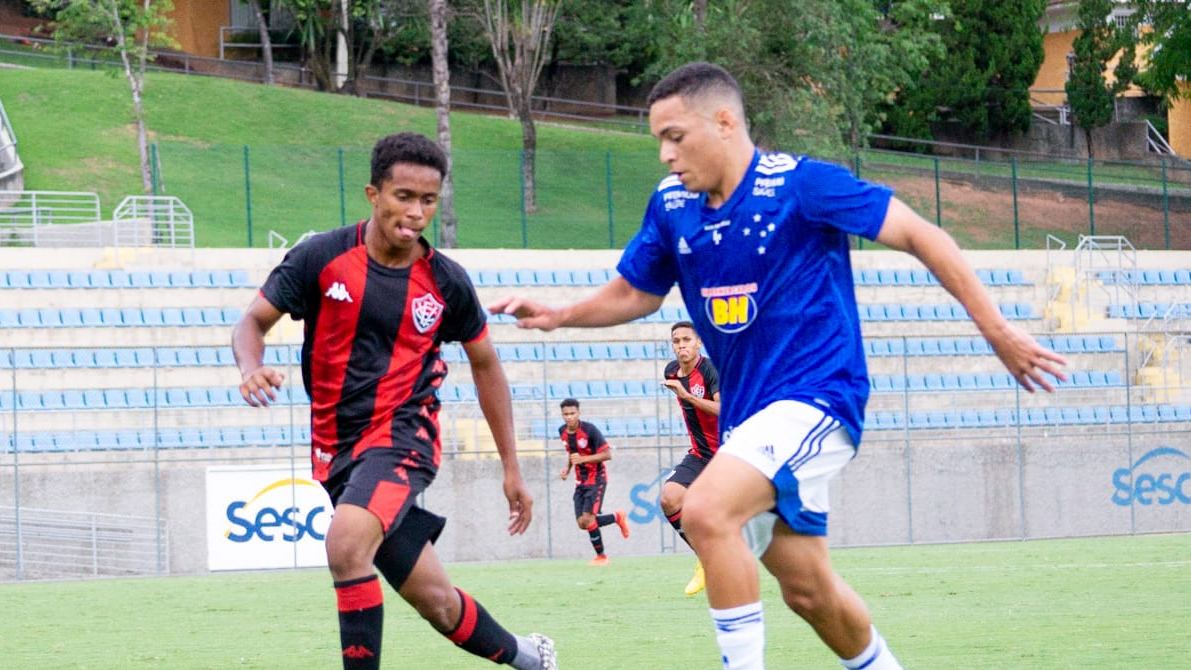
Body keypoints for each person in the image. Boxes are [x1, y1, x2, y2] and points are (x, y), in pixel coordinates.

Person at [490, 62, 1068, 670]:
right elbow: (638, 292)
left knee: (705, 509)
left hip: (819, 397)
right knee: (809, 593)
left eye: (675, 136)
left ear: (724, 121)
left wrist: (998, 330)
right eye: (657, 138)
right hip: (750, 421)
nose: (664, 154)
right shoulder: (671, 205)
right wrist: (561, 314)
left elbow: (923, 235)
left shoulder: (803, 185)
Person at [232, 132, 556, 670]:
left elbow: (486, 366)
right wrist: (251, 365)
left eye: (428, 200)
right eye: (403, 196)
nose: (416, 212)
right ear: (373, 194)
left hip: (403, 438)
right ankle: (531, 657)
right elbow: (252, 322)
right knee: (437, 602)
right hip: (339, 451)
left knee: (343, 547)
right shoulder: (321, 257)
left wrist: (511, 466)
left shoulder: (446, 282)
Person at [660, 320, 721, 596]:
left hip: (729, 456)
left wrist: (687, 396)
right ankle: (707, 561)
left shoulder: (710, 369)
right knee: (669, 498)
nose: (681, 345)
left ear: (699, 343)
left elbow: (724, 409)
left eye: (687, 339)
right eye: (676, 341)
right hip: (699, 454)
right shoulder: (671, 371)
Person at [557, 397, 630, 565]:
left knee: (589, 519)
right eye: (565, 414)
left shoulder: (590, 431)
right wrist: (567, 470)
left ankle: (602, 557)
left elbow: (607, 455)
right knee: (582, 523)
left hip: (596, 479)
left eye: (572, 413)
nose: (569, 417)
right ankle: (616, 517)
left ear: (579, 413)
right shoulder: (562, 431)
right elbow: (572, 453)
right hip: (579, 482)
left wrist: (584, 459)